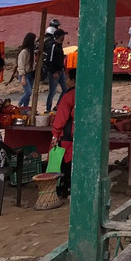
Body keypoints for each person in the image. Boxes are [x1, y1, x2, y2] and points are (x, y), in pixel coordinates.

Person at [50, 68, 77, 199]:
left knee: (65, 164)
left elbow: (61, 118)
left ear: (73, 80)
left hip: (66, 136)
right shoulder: (85, 94)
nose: (66, 81)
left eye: (67, 78)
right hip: (77, 135)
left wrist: (55, 134)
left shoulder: (68, 97)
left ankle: (63, 190)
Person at [5, 32, 37, 108]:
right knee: (28, 92)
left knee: (28, 93)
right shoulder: (24, 52)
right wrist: (22, 76)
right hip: (24, 74)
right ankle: (19, 105)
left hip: (30, 74)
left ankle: (25, 107)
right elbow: (21, 65)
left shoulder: (31, 52)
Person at [44, 28, 68, 112]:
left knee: (66, 89)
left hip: (61, 71)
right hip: (55, 72)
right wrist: (53, 72)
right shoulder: (53, 46)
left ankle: (58, 105)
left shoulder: (59, 46)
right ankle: (48, 108)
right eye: (62, 36)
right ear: (59, 36)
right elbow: (49, 61)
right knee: (52, 91)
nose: (64, 37)